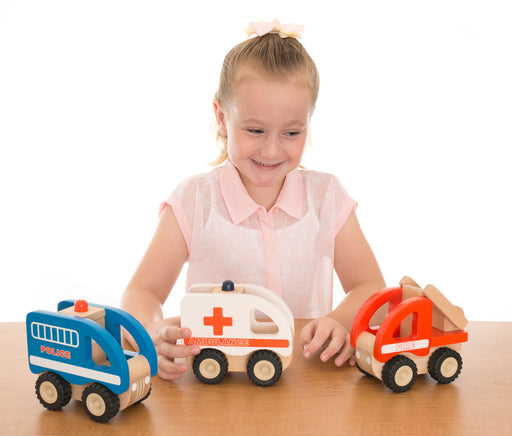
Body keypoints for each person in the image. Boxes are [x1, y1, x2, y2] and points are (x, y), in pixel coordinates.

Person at [121, 19, 386, 381]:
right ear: (221, 117)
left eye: (292, 132)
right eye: (255, 130)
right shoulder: (195, 199)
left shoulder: (326, 198)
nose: (272, 148)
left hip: (302, 382)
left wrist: (338, 322)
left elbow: (369, 285)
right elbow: (143, 289)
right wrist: (150, 333)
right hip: (216, 382)